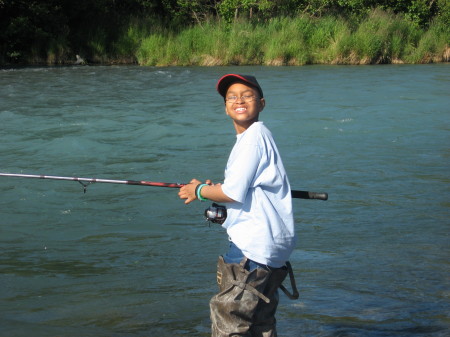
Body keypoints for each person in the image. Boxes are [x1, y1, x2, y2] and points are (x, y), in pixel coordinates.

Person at [178, 74, 297, 337]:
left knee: (229, 319)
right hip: (272, 250)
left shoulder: (253, 138)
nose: (239, 100)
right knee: (260, 323)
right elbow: (239, 190)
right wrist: (212, 191)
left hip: (252, 250)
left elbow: (232, 192)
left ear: (262, 103)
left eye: (247, 95)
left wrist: (197, 190)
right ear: (225, 107)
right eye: (231, 96)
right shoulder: (258, 136)